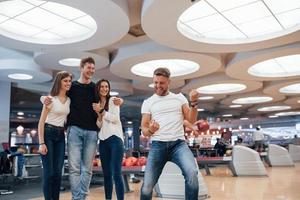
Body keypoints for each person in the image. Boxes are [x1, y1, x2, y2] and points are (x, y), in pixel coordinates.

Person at [41, 57, 123, 200]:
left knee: (87, 169)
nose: (91, 70)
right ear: (81, 67)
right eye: (88, 67)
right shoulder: (71, 86)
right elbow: (57, 94)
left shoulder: (95, 88)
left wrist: (120, 100)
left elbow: (106, 96)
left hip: (92, 132)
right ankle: (77, 197)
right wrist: (43, 98)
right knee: (74, 169)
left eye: (93, 68)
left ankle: (81, 197)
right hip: (74, 131)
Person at [140, 67, 199, 200]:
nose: (158, 86)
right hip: (157, 146)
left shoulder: (179, 98)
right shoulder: (148, 102)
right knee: (147, 186)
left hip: (178, 145)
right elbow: (144, 128)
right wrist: (150, 130)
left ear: (169, 82)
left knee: (192, 173)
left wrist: (194, 102)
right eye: (155, 82)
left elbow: (191, 119)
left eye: (161, 83)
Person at [38, 71, 72, 200]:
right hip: (48, 133)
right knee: (49, 173)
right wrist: (41, 143)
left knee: (58, 173)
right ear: (59, 82)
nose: (68, 83)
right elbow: (41, 122)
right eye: (65, 81)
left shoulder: (69, 100)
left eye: (69, 81)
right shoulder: (50, 99)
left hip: (60, 135)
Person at [93, 79, 124, 200]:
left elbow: (115, 119)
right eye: (102, 86)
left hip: (115, 139)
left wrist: (101, 111)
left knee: (116, 173)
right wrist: (99, 115)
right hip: (103, 141)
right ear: (98, 88)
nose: (104, 89)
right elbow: (99, 125)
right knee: (106, 175)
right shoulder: (96, 104)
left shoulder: (113, 100)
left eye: (106, 86)